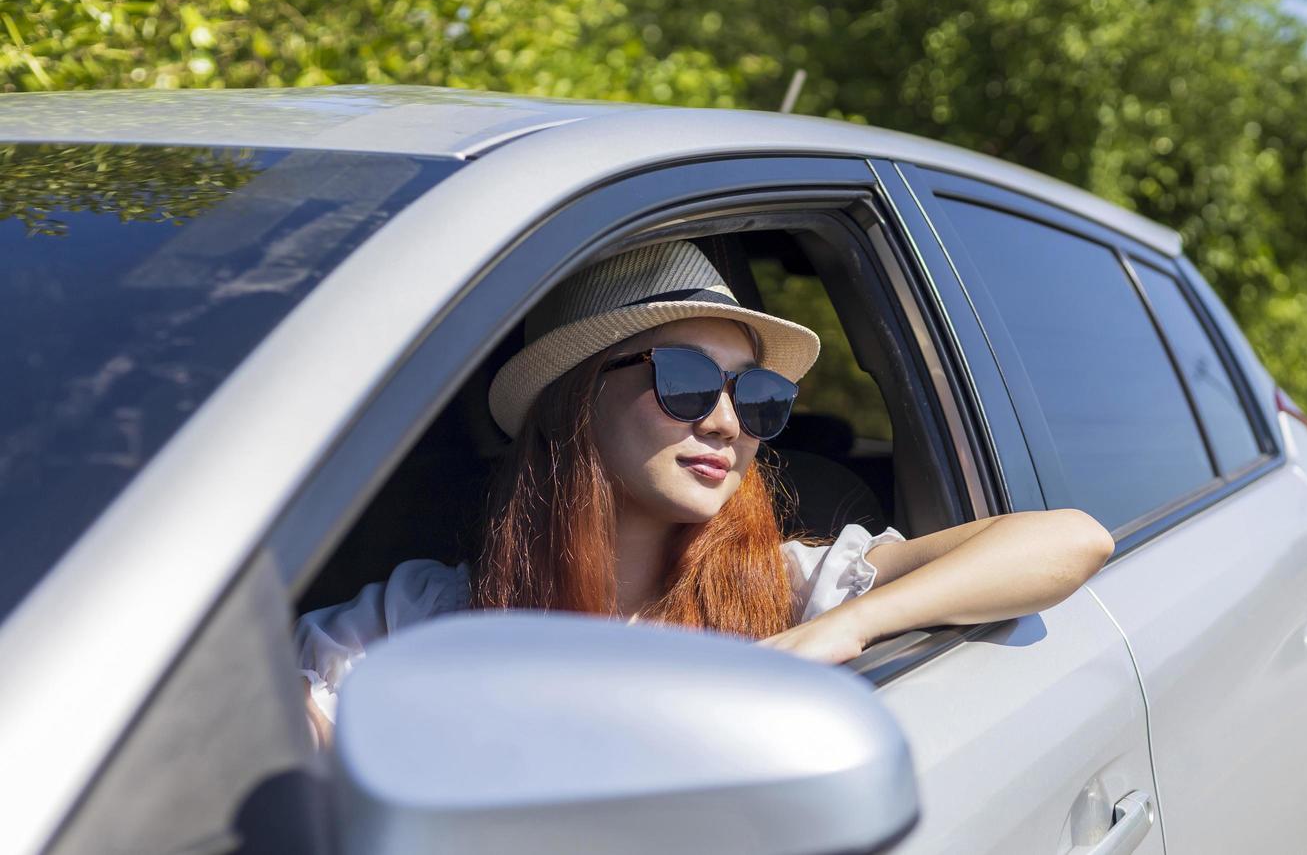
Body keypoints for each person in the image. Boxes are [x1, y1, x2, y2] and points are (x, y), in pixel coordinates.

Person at [295, 241, 1113, 747]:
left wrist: (839, 629)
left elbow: (1072, 540)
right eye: (683, 381)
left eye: (755, 395)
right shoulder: (432, 616)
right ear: (571, 401)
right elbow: (253, 712)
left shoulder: (786, 587)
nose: (727, 422)